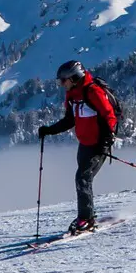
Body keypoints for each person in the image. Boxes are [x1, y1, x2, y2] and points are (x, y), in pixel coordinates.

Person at [38, 59, 119, 235]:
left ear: (73, 78)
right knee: (82, 178)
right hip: (85, 143)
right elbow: (70, 120)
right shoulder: (73, 95)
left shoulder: (93, 92)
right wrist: (49, 130)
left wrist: (107, 140)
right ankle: (86, 216)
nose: (61, 84)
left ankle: (87, 219)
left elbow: (109, 116)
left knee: (82, 178)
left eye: (63, 80)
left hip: (98, 144)